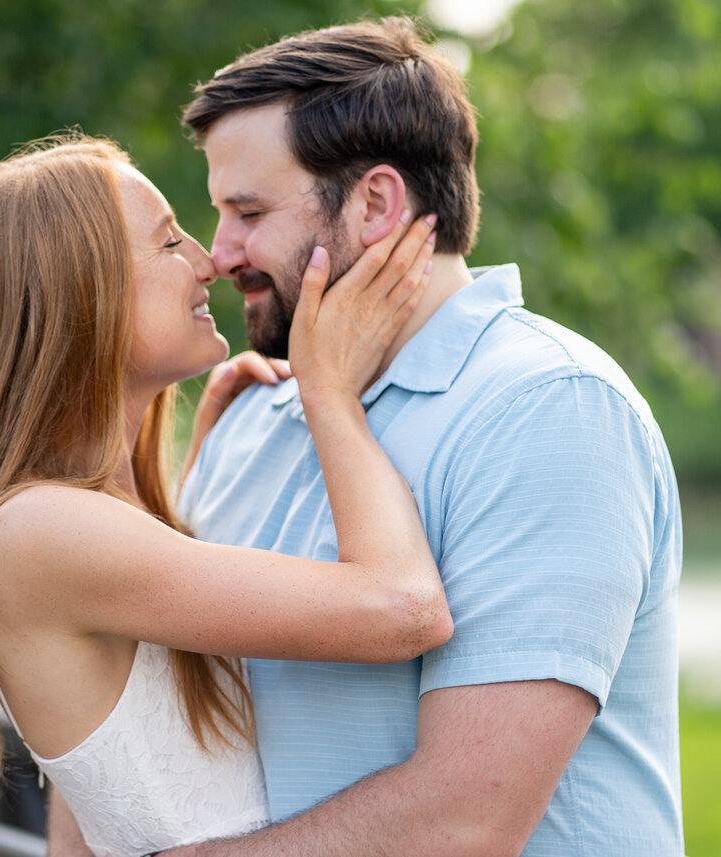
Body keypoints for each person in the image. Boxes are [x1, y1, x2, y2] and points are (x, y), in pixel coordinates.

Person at [53, 15, 683, 857]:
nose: (219, 254)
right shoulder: (251, 419)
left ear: (376, 204)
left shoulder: (549, 411)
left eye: (248, 212)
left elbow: (462, 821)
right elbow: (140, 715)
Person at [0, 133, 451, 856]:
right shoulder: (39, 528)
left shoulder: (76, 518)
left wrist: (193, 471)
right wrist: (330, 393)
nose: (209, 262)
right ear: (80, 291)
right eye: (169, 242)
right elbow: (406, 609)